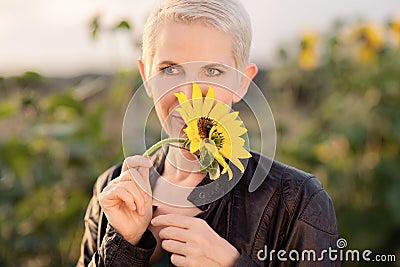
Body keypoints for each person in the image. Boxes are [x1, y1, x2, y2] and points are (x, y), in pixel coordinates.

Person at [77, 0, 339, 266]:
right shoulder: (113, 190)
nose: (189, 95)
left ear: (242, 82)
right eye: (170, 69)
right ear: (146, 77)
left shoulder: (295, 201)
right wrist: (122, 246)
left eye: (212, 71)